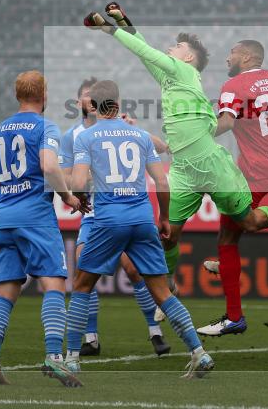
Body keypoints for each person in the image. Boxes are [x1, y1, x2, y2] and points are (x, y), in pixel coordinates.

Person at [83, 3, 268, 328]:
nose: (169, 49)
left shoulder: (184, 71)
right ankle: (169, 288)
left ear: (187, 58)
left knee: (247, 222)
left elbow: (146, 51)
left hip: (211, 162)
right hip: (184, 168)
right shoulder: (171, 79)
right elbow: (144, 53)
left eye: (176, 47)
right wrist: (124, 22)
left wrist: (111, 30)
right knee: (169, 235)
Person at [64, 80, 214, 379]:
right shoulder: (140, 136)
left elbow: (79, 182)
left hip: (109, 220)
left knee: (82, 284)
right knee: (161, 291)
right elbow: (161, 182)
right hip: (143, 219)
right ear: (119, 103)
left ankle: (70, 359)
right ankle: (199, 352)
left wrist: (79, 200)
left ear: (93, 106)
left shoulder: (86, 137)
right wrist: (165, 219)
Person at [0, 70, 82, 387]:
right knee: (54, 283)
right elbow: (48, 166)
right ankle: (53, 357)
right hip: (36, 216)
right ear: (44, 95)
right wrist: (68, 196)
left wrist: (2, 204)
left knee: (6, 290)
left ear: (17, 95)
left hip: (3, 217)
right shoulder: (45, 126)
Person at [198, 40, 268, 336]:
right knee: (229, 235)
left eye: (232, 53)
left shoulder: (235, 86)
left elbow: (224, 123)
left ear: (247, 56)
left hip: (255, 171)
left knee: (236, 230)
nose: (227, 58)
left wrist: (195, 133)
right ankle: (230, 294)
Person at [60, 77, 171, 357]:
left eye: (91, 95)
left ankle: (155, 332)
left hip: (120, 210)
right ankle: (91, 337)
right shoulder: (72, 136)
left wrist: (134, 127)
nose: (88, 100)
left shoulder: (121, 124)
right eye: (84, 96)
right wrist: (75, 194)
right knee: (84, 273)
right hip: (94, 212)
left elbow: (160, 147)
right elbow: (64, 174)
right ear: (79, 103)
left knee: (134, 270)